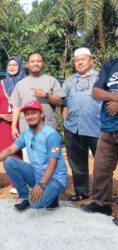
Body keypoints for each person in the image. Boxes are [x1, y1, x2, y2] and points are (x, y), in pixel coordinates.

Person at [0, 100, 67, 212]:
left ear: (42, 114)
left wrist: (41, 185)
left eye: (34, 113)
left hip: (54, 178)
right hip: (36, 173)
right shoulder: (27, 133)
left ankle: (53, 197)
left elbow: (53, 164)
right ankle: (25, 197)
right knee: (9, 161)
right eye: (27, 114)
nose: (30, 116)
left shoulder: (51, 134)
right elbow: (11, 149)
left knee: (36, 204)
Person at [82, 28, 118, 221]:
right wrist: (115, 97)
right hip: (107, 127)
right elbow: (96, 92)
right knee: (101, 168)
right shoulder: (110, 65)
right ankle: (101, 203)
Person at [61, 48, 101, 202]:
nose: (80, 62)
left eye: (83, 59)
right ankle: (81, 191)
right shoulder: (69, 80)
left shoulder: (100, 77)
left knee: (102, 163)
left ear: (91, 61)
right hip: (73, 128)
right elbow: (63, 102)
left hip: (96, 127)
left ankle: (102, 195)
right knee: (77, 162)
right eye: (77, 60)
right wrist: (65, 119)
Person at [10, 52, 64, 138]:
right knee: (29, 151)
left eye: (39, 61)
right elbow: (16, 107)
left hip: (48, 128)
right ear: (27, 64)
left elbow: (59, 102)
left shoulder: (51, 81)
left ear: (43, 64)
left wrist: (46, 95)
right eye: (32, 61)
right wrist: (13, 127)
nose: (35, 63)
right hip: (26, 129)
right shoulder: (20, 84)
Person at [0, 56, 26, 194]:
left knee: (20, 151)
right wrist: (0, 114)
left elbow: (29, 102)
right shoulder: (1, 83)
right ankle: (14, 183)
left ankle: (26, 180)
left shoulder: (25, 82)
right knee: (6, 150)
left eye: (15, 65)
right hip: (4, 124)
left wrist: (18, 115)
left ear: (20, 67)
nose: (12, 67)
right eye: (10, 65)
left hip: (21, 122)